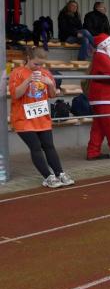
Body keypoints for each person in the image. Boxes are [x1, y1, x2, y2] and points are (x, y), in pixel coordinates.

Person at [9, 47, 75, 188]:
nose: (39, 67)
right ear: (28, 58)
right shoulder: (17, 72)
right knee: (36, 147)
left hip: (42, 117)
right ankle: (48, 176)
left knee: (49, 146)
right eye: (36, 64)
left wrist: (50, 83)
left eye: (41, 64)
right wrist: (28, 80)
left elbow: (52, 95)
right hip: (23, 118)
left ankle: (60, 173)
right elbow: (15, 94)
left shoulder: (45, 73)